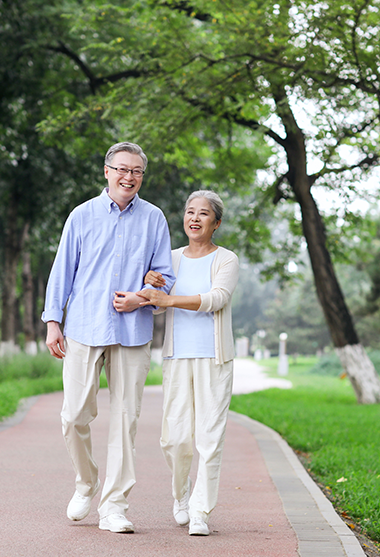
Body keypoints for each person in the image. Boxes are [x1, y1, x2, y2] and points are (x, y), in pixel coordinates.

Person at [41, 142, 175, 534]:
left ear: (142, 177)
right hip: (84, 327)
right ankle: (86, 482)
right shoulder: (82, 216)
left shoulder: (154, 219)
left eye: (136, 171)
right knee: (74, 415)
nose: (128, 177)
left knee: (125, 420)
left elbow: (164, 276)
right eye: (122, 169)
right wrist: (53, 321)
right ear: (106, 171)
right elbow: (62, 269)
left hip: (133, 333)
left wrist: (141, 297)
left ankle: (114, 506)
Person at [137, 190, 239, 536]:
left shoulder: (226, 260)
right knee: (175, 438)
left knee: (209, 438)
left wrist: (169, 298)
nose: (194, 218)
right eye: (190, 212)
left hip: (215, 358)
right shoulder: (171, 258)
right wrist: (148, 286)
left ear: (216, 223)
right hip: (177, 356)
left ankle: (200, 511)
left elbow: (217, 299)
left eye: (204, 214)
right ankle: (181, 493)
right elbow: (156, 304)